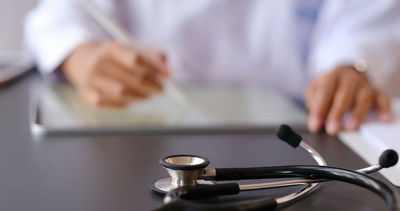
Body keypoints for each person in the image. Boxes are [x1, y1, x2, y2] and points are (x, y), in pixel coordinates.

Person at [24, 0, 400, 136]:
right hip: (137, 129)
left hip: (299, 126)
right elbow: (60, 13)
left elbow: (365, 16)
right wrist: (82, 56)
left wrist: (351, 64)